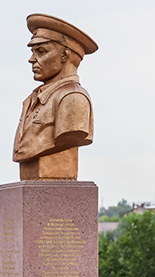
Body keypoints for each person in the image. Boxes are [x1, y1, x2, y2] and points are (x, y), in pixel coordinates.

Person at [13, 13, 98, 181]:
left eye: (41, 51)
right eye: (33, 52)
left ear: (65, 55)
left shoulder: (72, 98)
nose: (32, 59)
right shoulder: (32, 100)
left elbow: (71, 135)